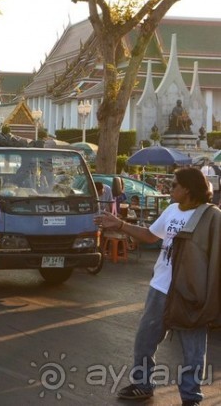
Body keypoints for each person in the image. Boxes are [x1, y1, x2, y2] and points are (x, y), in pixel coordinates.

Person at [96, 167, 213, 404]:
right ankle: (143, 385)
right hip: (160, 288)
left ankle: (191, 397)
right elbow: (151, 236)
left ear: (187, 189)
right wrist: (119, 225)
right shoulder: (171, 210)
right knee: (145, 340)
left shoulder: (210, 216)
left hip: (190, 293)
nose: (169, 189)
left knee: (192, 349)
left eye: (174, 185)